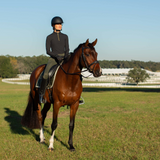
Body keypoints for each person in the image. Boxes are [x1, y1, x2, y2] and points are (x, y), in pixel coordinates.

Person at [39, 16, 69, 103]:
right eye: (57, 24)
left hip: (64, 57)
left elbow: (67, 49)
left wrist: (66, 56)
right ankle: (41, 94)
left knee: (74, 71)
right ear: (53, 25)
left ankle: (77, 95)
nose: (60, 25)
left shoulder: (65, 36)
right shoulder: (49, 37)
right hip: (53, 58)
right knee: (45, 74)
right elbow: (48, 51)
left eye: (60, 24)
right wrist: (56, 56)